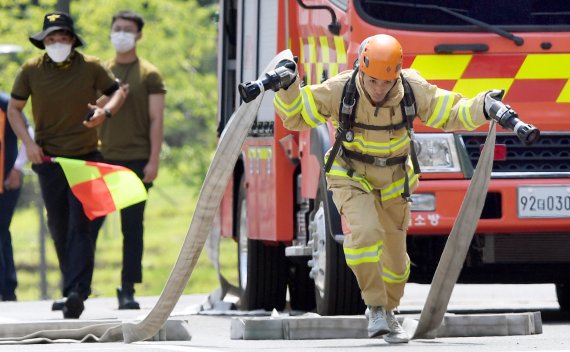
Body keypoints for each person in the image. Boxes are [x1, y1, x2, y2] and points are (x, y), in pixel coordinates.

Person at [273, 34, 503, 343]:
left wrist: (484, 105)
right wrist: (288, 88)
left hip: (395, 182)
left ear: (396, 74)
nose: (379, 89)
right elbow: (296, 116)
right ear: (362, 71)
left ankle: (389, 309)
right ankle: (376, 307)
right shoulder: (341, 89)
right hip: (350, 175)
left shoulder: (411, 89)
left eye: (386, 82)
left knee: (396, 264)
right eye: (372, 81)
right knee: (366, 233)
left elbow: (450, 112)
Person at [7, 11, 126, 318]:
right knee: (58, 227)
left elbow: (117, 93)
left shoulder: (91, 66)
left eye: (63, 37)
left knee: (80, 225)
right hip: (48, 160)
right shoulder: (30, 70)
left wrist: (105, 113)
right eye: (51, 38)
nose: (57, 42)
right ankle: (70, 287)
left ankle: (77, 291)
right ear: (43, 41)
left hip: (86, 159)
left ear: (73, 41)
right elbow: (15, 110)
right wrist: (29, 144)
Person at [91, 10, 166, 310]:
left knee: (132, 227)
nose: (121, 33)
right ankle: (78, 287)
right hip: (102, 159)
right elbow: (87, 111)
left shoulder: (149, 74)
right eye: (117, 28)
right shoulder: (99, 73)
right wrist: (110, 98)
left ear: (139, 35)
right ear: (110, 32)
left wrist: (153, 160)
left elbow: (156, 119)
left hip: (136, 160)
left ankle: (128, 288)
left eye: (128, 29)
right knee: (87, 226)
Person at [0, 92, 32, 302]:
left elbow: (29, 133)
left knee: (2, 230)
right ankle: (8, 287)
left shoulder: (5, 104)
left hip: (6, 182)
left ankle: (7, 287)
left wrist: (17, 169)